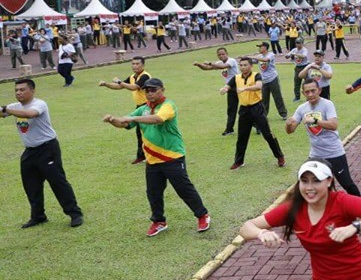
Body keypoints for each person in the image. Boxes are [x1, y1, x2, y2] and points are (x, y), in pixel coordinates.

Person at [102, 78, 209, 236]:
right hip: (152, 160)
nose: (150, 94)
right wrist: (112, 120)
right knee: (153, 192)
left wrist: (131, 118)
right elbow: (125, 124)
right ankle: (158, 221)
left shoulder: (168, 105)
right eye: (147, 91)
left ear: (162, 90)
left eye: (154, 90)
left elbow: (158, 119)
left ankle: (202, 215)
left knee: (184, 189)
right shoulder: (143, 109)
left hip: (172, 157)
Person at [2, 78, 84, 228]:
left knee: (58, 182)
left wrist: (5, 109)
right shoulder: (14, 106)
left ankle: (75, 214)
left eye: (22, 89)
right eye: (16, 90)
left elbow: (30, 114)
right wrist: (4, 110)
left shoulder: (39, 104)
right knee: (31, 185)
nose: (18, 93)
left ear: (32, 90)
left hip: (47, 149)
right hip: (29, 152)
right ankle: (38, 216)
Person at [286, 80, 361, 196]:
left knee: (347, 184)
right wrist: (288, 124)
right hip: (316, 155)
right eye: (307, 92)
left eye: (313, 91)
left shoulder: (327, 104)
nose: (310, 94)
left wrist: (315, 121)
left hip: (334, 153)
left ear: (319, 90)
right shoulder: (302, 109)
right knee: (310, 184)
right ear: (303, 93)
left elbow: (334, 125)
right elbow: (290, 131)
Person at [222, 57, 285, 170]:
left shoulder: (256, 75)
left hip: (257, 108)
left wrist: (245, 89)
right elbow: (228, 85)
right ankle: (239, 161)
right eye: (241, 65)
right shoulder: (236, 78)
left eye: (245, 65)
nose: (243, 67)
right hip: (244, 110)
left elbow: (259, 86)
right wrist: (225, 89)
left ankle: (279, 156)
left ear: (251, 66)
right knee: (242, 137)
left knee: (267, 134)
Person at [99, 55, 152, 164]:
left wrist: (119, 81)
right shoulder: (132, 77)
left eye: (137, 64)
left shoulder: (145, 76)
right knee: (139, 132)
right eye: (133, 64)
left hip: (148, 106)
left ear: (143, 65)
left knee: (146, 132)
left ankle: (148, 155)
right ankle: (142, 156)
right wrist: (106, 84)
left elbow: (134, 87)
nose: (135, 66)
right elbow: (119, 86)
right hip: (139, 107)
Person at [194, 47, 240, 136]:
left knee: (247, 108)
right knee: (231, 110)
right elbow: (207, 68)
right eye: (219, 54)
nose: (221, 56)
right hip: (229, 88)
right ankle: (229, 129)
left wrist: (211, 63)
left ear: (227, 53)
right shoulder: (219, 63)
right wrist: (198, 64)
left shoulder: (231, 61)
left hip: (239, 86)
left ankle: (258, 126)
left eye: (223, 54)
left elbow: (223, 66)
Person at [248, 41, 288, 120]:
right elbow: (253, 62)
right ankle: (264, 115)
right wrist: (245, 59)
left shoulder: (271, 55)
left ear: (265, 48)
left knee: (277, 97)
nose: (259, 48)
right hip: (263, 80)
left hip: (273, 78)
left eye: (261, 47)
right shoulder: (259, 56)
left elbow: (266, 59)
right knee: (264, 99)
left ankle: (283, 114)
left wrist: (253, 57)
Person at [285, 37, 310, 102]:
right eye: (296, 43)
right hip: (298, 67)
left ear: (302, 43)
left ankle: (309, 96)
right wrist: (287, 56)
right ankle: (297, 97)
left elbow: (304, 56)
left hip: (305, 67)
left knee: (307, 83)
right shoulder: (294, 50)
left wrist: (294, 54)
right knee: (297, 83)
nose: (297, 44)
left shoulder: (304, 50)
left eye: (299, 43)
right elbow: (288, 55)